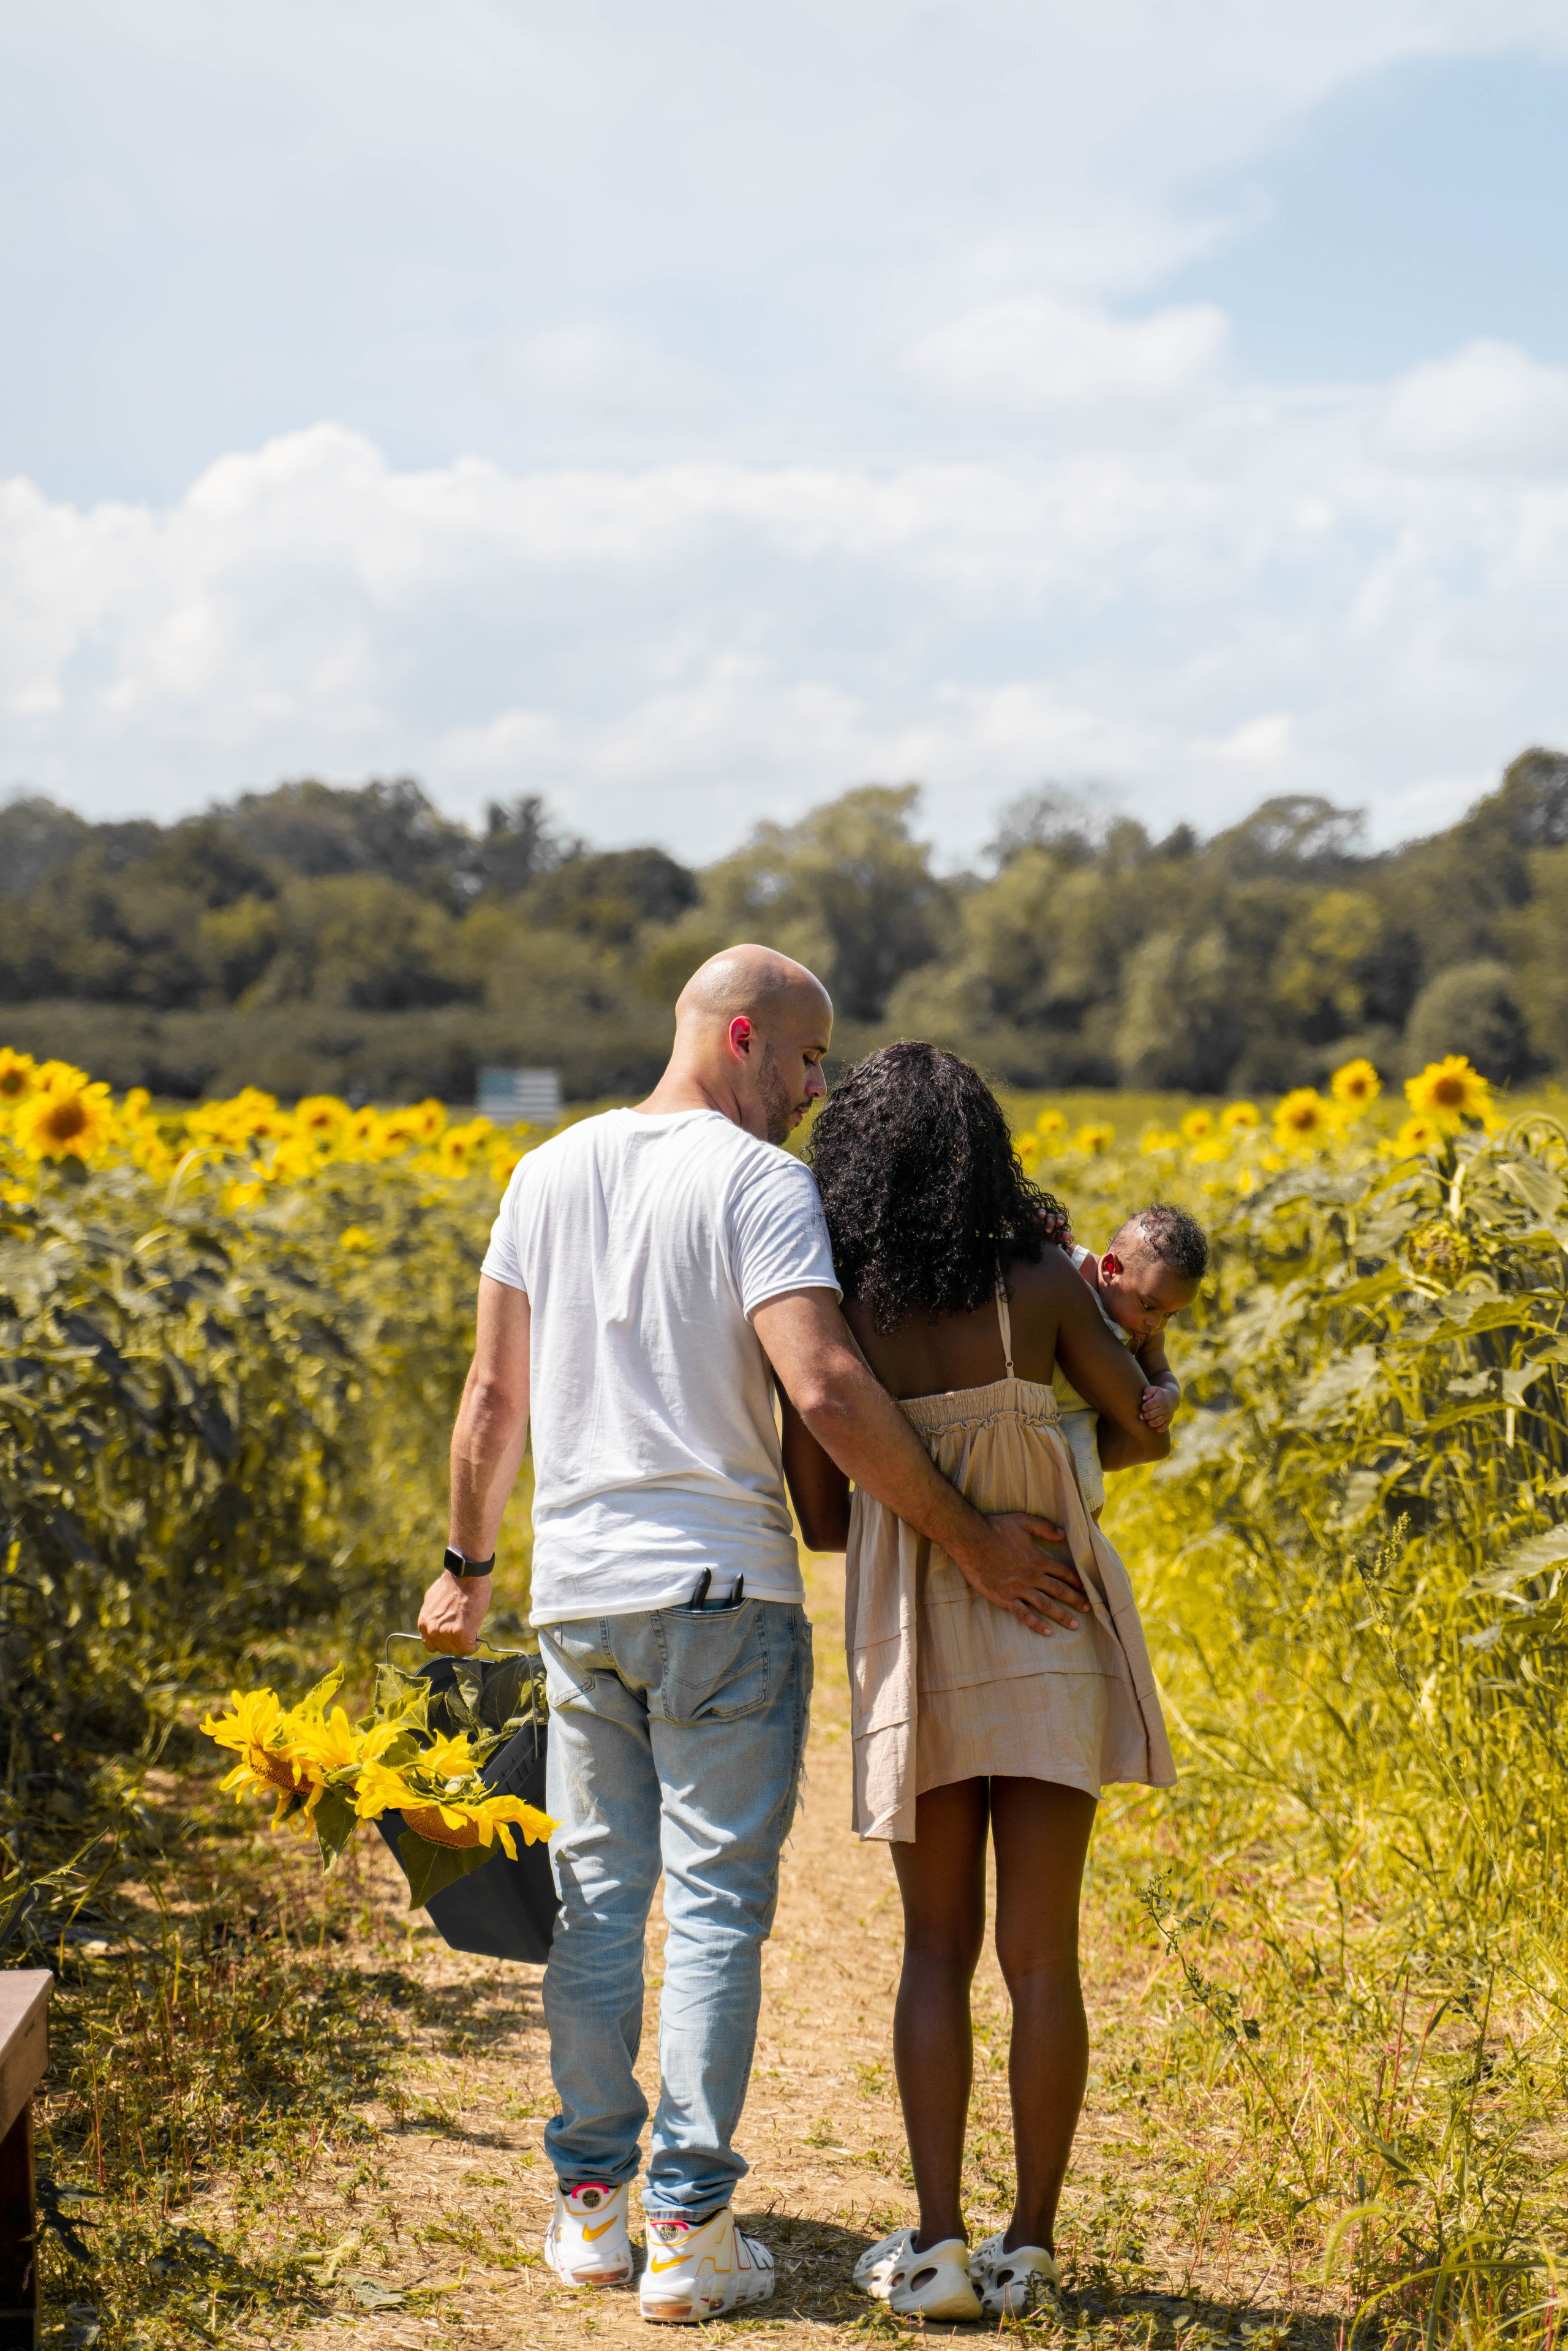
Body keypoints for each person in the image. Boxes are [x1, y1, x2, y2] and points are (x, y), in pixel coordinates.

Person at [415, 951, 1088, 2328]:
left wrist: (468, 1564)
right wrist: (969, 1539)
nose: (815, 1088)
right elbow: (827, 1386)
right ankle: (686, 2223)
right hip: (720, 1591)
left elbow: (492, 1391)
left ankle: (589, 2210)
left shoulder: (544, 1171)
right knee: (715, 1906)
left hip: (579, 1596)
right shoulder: (758, 1183)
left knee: (596, 1903)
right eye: (804, 1058)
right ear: (740, 1034)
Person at [779, 1042, 1178, 2324]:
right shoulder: (1043, 1285)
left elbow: (825, 1522)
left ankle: (939, 2242)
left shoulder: (839, 1311)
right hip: (1052, 1620)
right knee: (1040, 1956)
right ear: (984, 1151)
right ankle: (1031, 2246)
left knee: (932, 1949)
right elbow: (1137, 1426)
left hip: (919, 1639)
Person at [1052, 1206, 1209, 1520]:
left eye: (1170, 1315)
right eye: (1149, 1306)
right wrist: (1042, 1232)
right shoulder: (1069, 1267)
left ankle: (1086, 1548)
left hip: (1076, 1414)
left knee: (1088, 1495)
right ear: (1110, 1267)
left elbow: (1161, 1372)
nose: (1156, 1323)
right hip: (1025, 1393)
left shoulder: (1144, 1333)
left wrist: (1169, 1397)